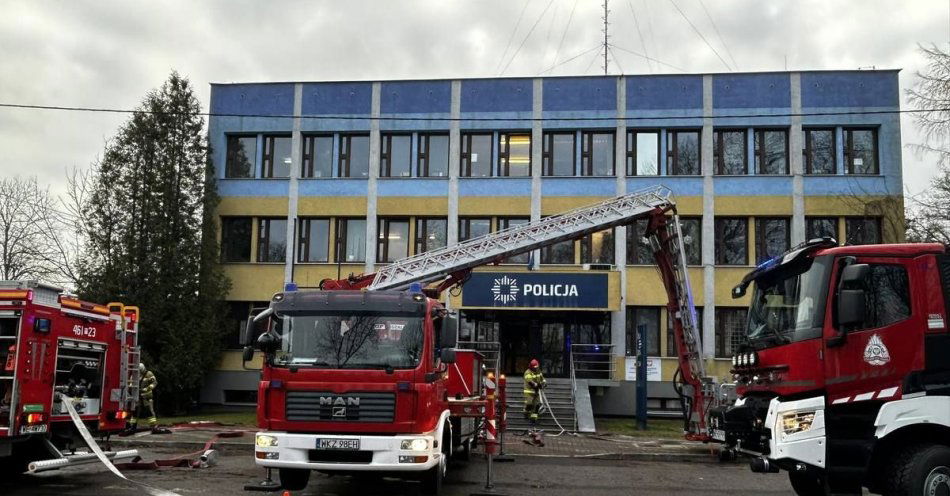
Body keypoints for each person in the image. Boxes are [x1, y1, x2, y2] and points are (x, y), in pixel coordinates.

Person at [130, 362, 158, 431]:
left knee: (150, 411)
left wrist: (148, 388)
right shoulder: (134, 375)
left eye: (141, 371)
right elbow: (130, 383)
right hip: (137, 397)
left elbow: (154, 382)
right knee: (135, 412)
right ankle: (132, 426)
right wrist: (131, 388)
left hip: (147, 397)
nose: (140, 372)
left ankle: (153, 426)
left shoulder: (149, 374)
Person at [522, 358, 546, 426]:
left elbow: (543, 379)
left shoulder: (539, 371)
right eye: (535, 367)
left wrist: (544, 383)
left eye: (537, 367)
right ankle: (525, 412)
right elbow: (530, 382)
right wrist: (538, 385)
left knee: (536, 406)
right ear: (531, 367)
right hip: (529, 392)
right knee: (529, 404)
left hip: (536, 392)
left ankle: (533, 420)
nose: (536, 368)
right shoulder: (527, 372)